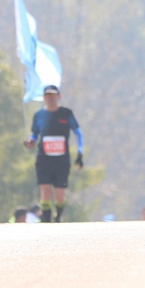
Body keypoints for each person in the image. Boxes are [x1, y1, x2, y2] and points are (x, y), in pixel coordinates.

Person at [25, 85, 84, 222]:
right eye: (47, 96)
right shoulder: (39, 115)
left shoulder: (66, 113)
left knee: (59, 193)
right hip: (44, 159)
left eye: (53, 95)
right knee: (45, 190)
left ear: (59, 96)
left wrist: (79, 154)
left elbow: (78, 133)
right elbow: (35, 134)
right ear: (44, 97)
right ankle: (46, 220)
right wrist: (31, 141)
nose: (50, 98)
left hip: (62, 160)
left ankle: (58, 217)